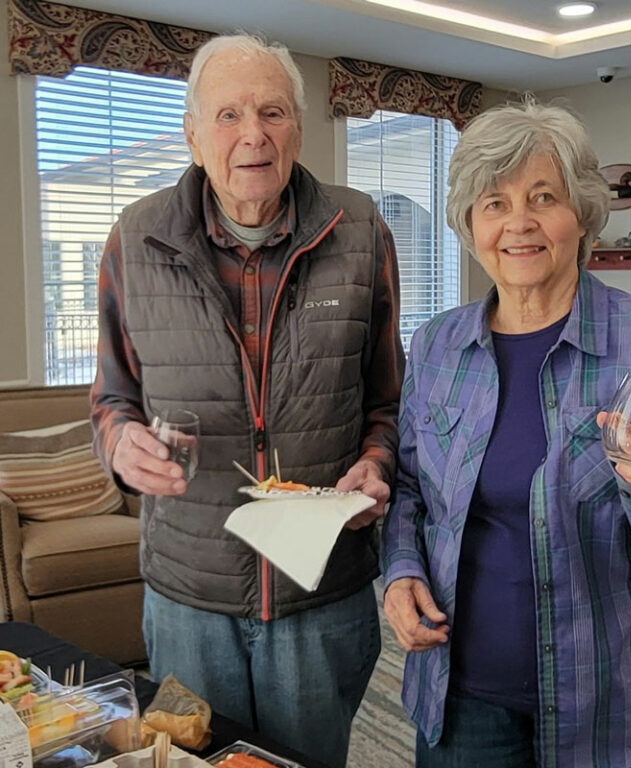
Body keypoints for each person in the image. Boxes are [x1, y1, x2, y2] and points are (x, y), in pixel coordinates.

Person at [380, 100, 631, 768]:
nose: (518, 222)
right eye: (494, 203)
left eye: (542, 197)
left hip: (619, 707)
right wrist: (400, 572)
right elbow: (409, 490)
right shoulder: (436, 345)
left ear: (581, 214)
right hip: (464, 699)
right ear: (469, 223)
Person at [90, 34, 404, 768]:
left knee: (308, 760)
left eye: (271, 111)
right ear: (194, 134)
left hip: (320, 589)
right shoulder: (135, 238)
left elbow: (390, 399)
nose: (252, 134)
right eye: (227, 114)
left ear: (298, 125)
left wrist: (376, 459)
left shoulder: (360, 230)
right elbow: (111, 397)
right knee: (190, 760)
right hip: (186, 596)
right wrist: (120, 444)